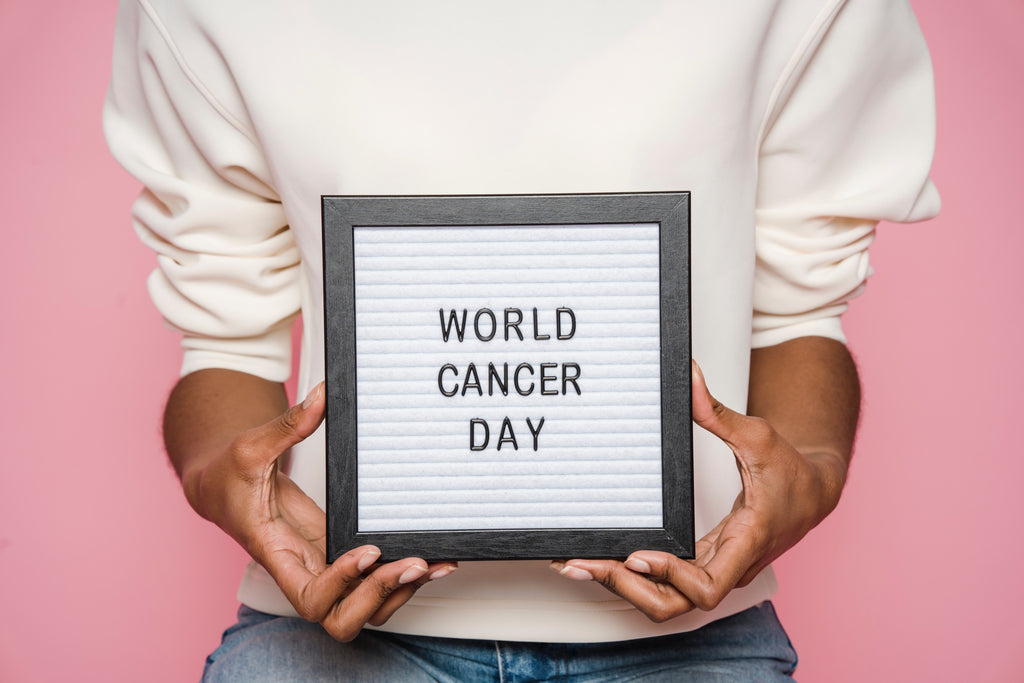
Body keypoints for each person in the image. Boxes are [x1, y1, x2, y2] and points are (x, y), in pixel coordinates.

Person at [105, 0, 939, 679]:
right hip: (332, 631)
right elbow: (224, 338)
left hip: (691, 635)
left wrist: (813, 471)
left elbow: (799, 310)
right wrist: (226, 477)